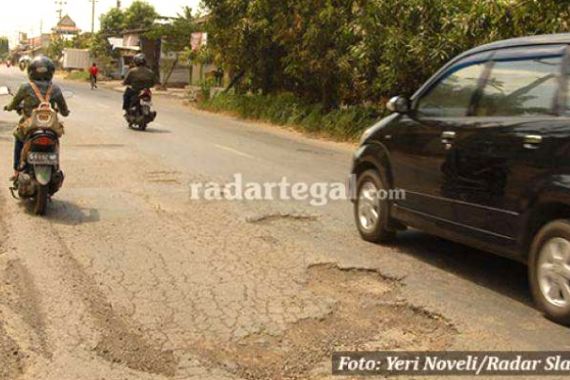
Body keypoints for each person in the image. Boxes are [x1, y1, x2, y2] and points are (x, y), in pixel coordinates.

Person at [4, 55, 70, 181]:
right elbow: (64, 110)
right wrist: (66, 112)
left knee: (18, 138)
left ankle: (17, 169)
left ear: (30, 71)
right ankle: (55, 167)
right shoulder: (55, 88)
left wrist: (9, 107)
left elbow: (14, 103)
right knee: (55, 140)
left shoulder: (26, 87)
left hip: (30, 125)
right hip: (50, 126)